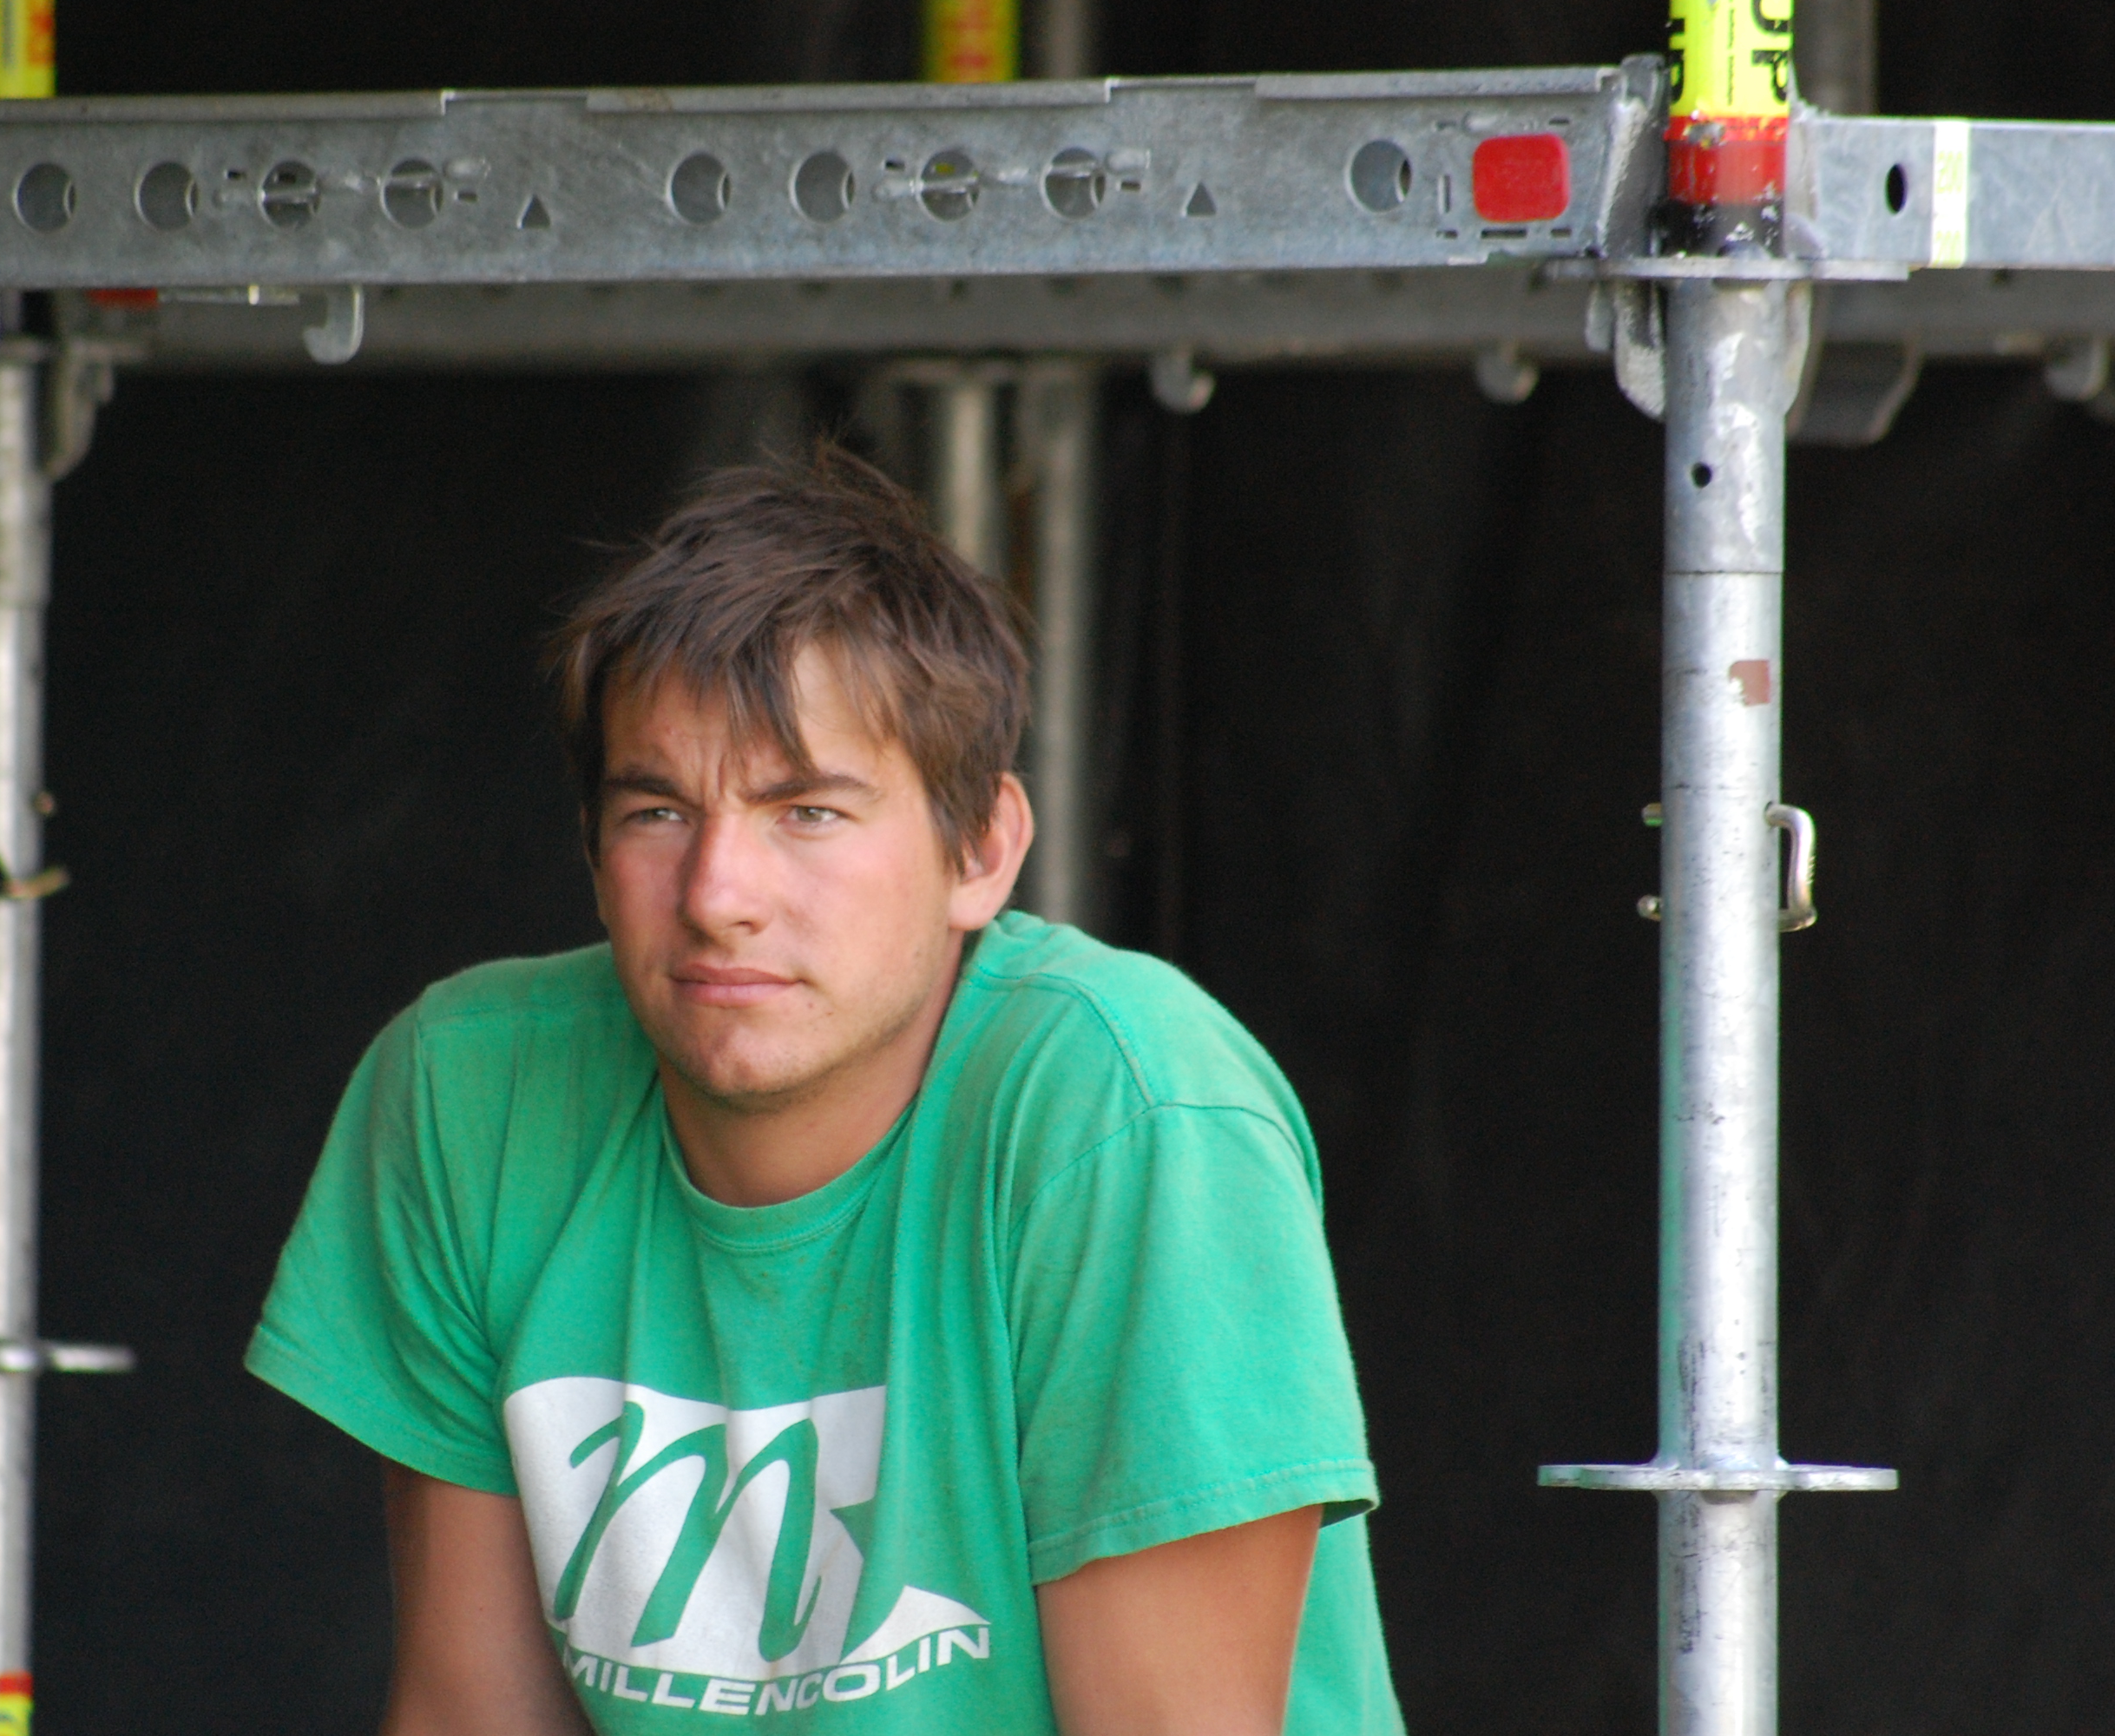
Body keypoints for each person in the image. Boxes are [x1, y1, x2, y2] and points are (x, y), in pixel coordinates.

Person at [247, 447, 1402, 1736]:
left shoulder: (1131, 1112)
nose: (717, 895)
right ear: (591, 849)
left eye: (806, 811)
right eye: (656, 811)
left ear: (982, 851)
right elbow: (473, 1716)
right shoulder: (468, 1093)